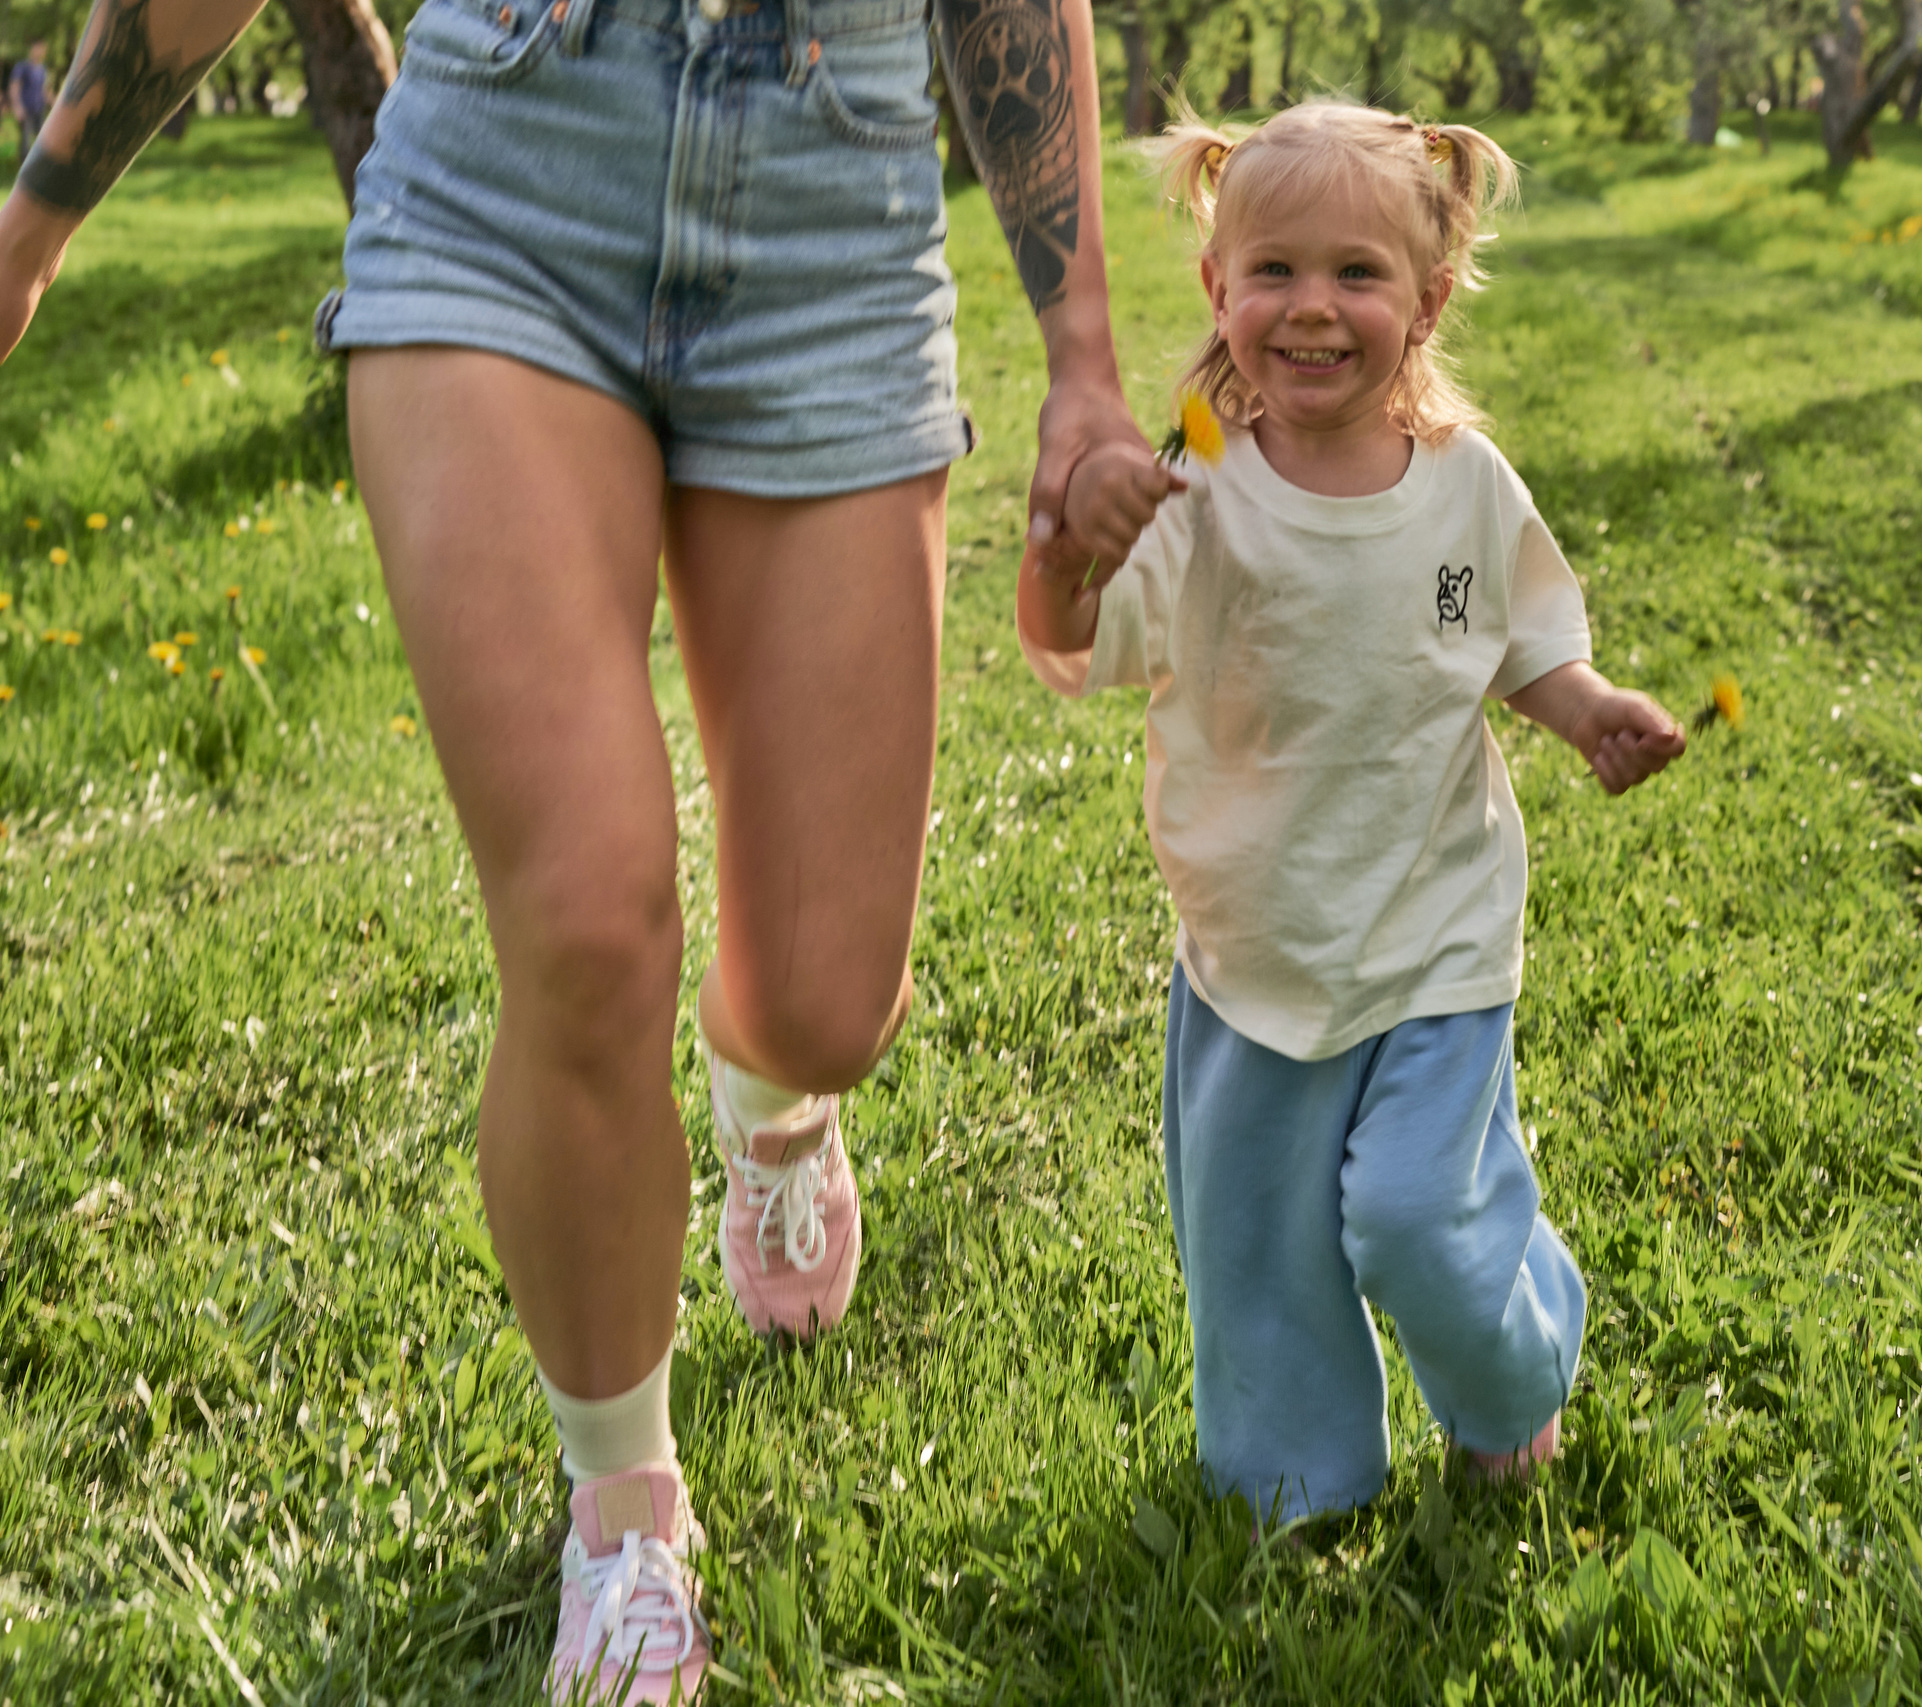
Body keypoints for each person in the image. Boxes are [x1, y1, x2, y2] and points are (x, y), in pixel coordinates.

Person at [0, 0, 1149, 1697]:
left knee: (831, 999)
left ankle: (777, 1104)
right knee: (592, 923)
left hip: (831, 212)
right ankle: (623, 1505)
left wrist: (1082, 357)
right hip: (503, 190)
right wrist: (30, 226)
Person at [1017, 101, 1686, 1525]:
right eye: (1273, 272)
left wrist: (1586, 705)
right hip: (1257, 948)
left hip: (1436, 939)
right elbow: (1081, 635)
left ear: (1429, 298)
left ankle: (1515, 1372)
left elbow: (1514, 639)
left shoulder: (1462, 485)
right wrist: (1072, 541)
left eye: (1357, 275)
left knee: (1411, 1215)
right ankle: (1294, 1473)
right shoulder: (1195, 482)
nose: (1311, 308)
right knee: (1256, 1246)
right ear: (1217, 287)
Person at [7, 43, 45, 157]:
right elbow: (14, 86)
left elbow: (43, 89)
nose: (41, 51)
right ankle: (24, 170)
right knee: (25, 141)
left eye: (43, 49)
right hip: (25, 109)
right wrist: (17, 107)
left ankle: (38, 164)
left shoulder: (42, 69)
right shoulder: (22, 66)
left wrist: (56, 101)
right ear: (32, 49)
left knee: (43, 138)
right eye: (38, 48)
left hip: (39, 108)